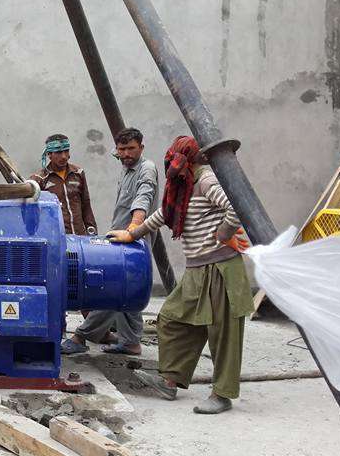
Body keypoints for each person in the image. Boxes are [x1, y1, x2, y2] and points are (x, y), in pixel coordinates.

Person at [107, 136, 252, 415]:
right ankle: (170, 381)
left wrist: (223, 234)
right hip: (197, 267)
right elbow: (163, 214)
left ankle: (222, 395)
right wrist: (131, 233)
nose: (171, 163)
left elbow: (236, 206)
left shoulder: (206, 179)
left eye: (175, 157)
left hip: (221, 267)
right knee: (173, 318)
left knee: (223, 333)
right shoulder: (183, 186)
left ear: (187, 158)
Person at [62, 128, 157, 356]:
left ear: (141, 148)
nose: (125, 154)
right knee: (129, 294)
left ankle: (81, 336)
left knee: (109, 287)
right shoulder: (126, 169)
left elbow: (143, 197)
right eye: (121, 149)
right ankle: (131, 342)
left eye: (131, 149)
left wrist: (133, 229)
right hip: (119, 238)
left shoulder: (146, 169)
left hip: (132, 241)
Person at [29, 134, 97, 235]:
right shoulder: (39, 180)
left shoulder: (78, 173)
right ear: (49, 154)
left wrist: (92, 232)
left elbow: (86, 205)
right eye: (58, 152)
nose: (64, 156)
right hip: (56, 238)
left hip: (80, 237)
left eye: (66, 151)